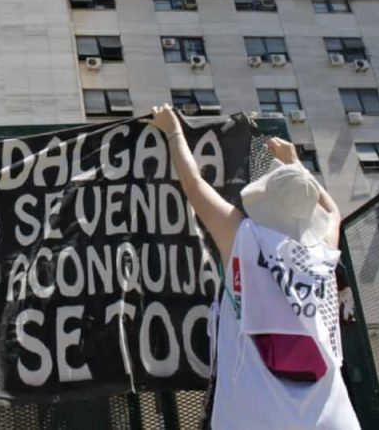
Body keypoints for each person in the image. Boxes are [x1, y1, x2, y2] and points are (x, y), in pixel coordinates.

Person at [146, 105, 359, 430]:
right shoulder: (323, 250)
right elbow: (333, 213)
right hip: (331, 416)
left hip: (256, 414)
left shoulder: (243, 239)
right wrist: (297, 167)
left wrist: (173, 129)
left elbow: (193, 184)